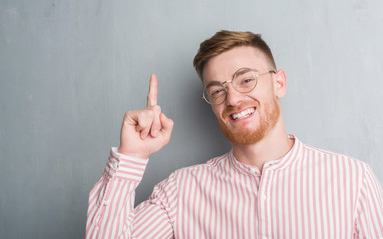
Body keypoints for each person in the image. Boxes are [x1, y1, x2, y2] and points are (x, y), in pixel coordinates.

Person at [85, 30, 383, 238]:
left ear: (279, 83)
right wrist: (131, 157)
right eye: (217, 90)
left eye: (246, 80)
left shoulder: (352, 179)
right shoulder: (180, 192)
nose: (233, 99)